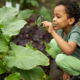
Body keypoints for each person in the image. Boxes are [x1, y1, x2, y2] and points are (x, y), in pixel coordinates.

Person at [42, 0, 80, 80]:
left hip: (78, 60)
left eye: (58, 17)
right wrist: (65, 71)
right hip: (73, 58)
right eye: (53, 16)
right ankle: (68, 68)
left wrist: (52, 32)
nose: (54, 19)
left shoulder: (75, 32)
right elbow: (62, 49)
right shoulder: (61, 30)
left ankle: (76, 75)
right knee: (53, 42)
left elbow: (68, 50)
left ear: (70, 20)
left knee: (59, 58)